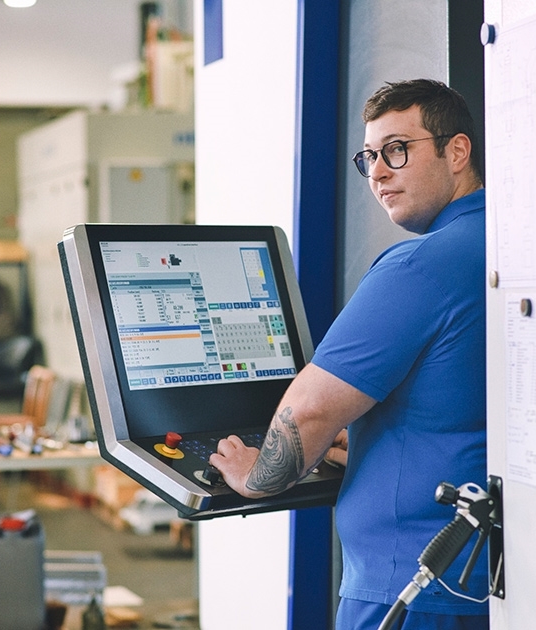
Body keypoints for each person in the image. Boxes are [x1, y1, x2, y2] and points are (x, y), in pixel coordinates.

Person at [209, 79, 488, 630]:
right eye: (370, 157)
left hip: (410, 588)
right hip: (483, 579)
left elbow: (309, 412)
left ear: (456, 151)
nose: (379, 172)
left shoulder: (419, 265)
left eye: (397, 150)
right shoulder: (507, 244)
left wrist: (255, 475)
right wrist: (362, 442)